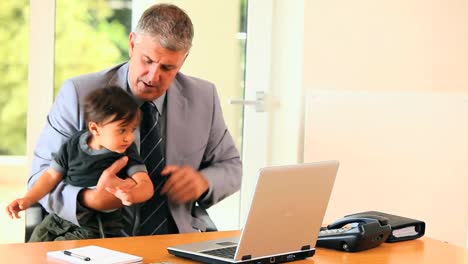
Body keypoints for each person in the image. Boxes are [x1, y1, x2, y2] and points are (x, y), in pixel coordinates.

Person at [28, 3, 242, 238]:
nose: (153, 76)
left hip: (176, 239)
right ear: (132, 44)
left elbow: (231, 168)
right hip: (94, 240)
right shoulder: (79, 94)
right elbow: (39, 176)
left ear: (183, 60)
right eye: (147, 60)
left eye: (168, 67)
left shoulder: (203, 97)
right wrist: (90, 199)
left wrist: (203, 181)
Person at [8, 86, 154, 241]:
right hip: (60, 218)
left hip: (96, 227)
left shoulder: (126, 152)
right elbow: (51, 176)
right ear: (95, 129)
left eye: (133, 130)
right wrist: (28, 199)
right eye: (122, 130)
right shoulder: (74, 144)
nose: (129, 138)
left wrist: (132, 194)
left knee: (59, 252)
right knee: (34, 245)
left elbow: (146, 185)